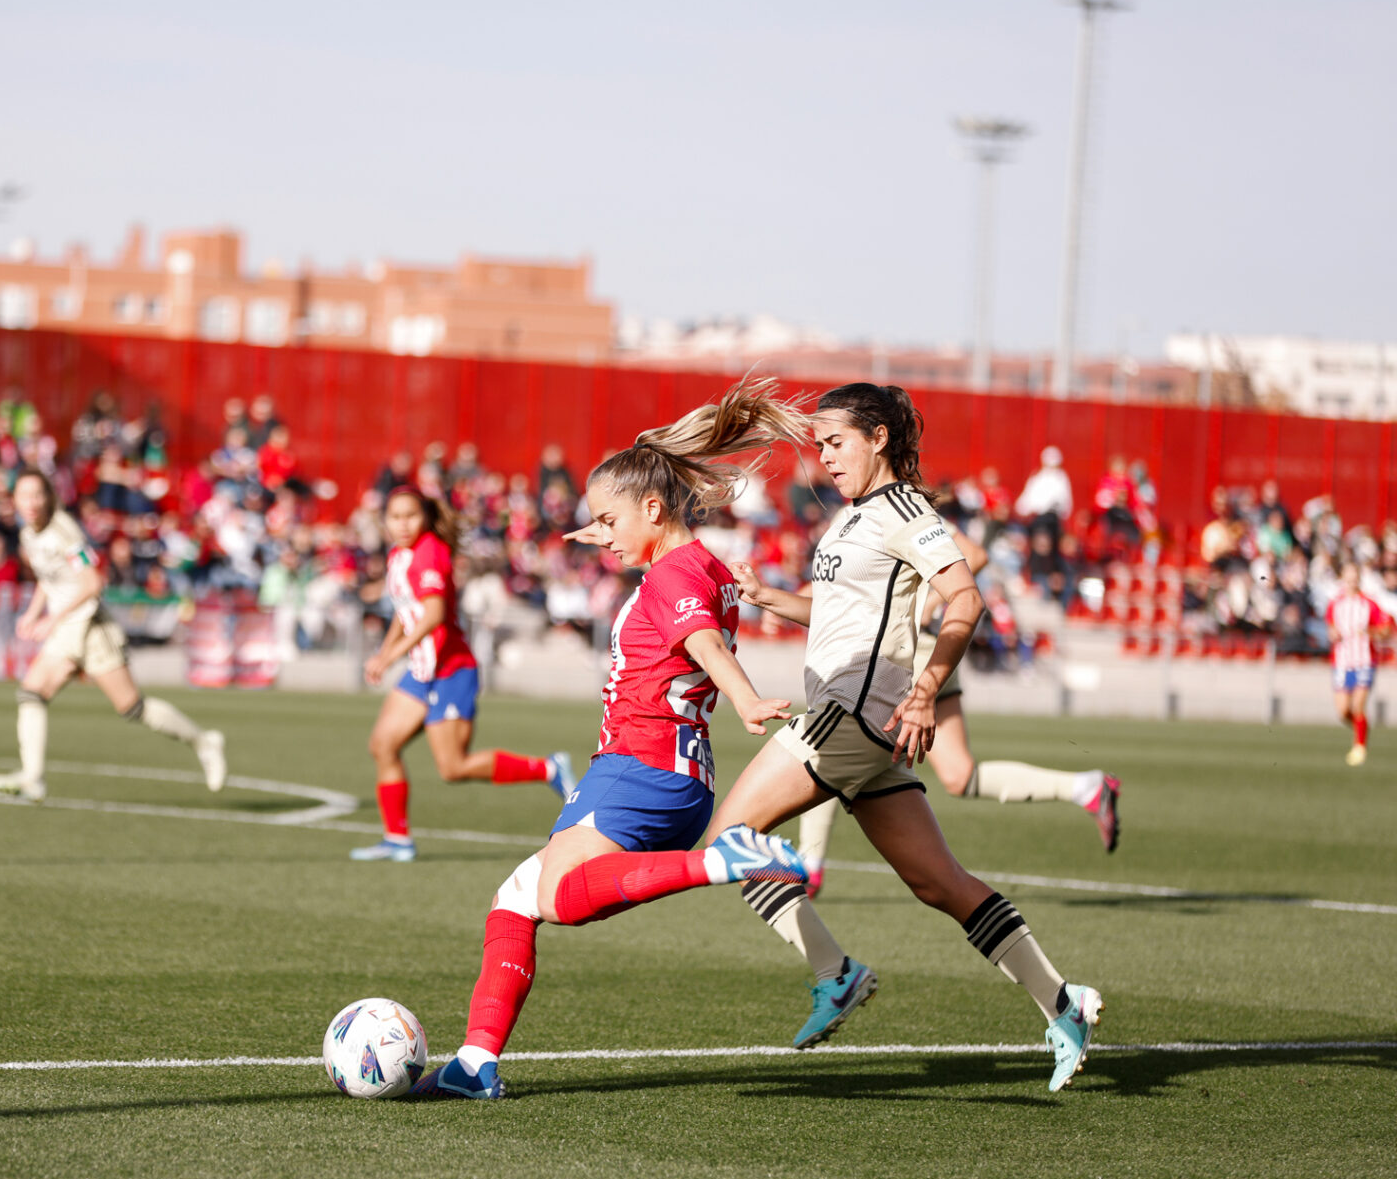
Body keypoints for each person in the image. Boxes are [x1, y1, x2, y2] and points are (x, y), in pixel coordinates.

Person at [412, 373, 810, 1100]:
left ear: (653, 508)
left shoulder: (672, 575)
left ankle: (723, 862)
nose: (601, 535)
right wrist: (611, 526)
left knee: (558, 894)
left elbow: (699, 642)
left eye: (609, 520)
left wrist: (747, 699)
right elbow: (681, 606)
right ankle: (475, 1061)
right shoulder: (700, 563)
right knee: (517, 897)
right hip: (676, 774)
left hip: (640, 765)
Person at [715, 382, 1103, 1092]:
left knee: (727, 837)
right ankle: (1062, 1001)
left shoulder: (904, 509)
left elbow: (966, 594)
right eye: (821, 443)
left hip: (850, 718)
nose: (825, 457)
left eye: (836, 442)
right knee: (939, 882)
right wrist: (770, 597)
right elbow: (846, 613)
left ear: (879, 438)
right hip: (873, 728)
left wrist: (928, 686)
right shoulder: (857, 515)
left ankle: (835, 971)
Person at [789, 520, 1122, 899]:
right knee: (959, 774)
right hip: (933, 650)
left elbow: (975, 555)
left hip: (916, 649)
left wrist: (929, 603)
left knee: (834, 741)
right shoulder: (877, 512)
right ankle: (1087, 787)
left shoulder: (906, 507)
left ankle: (808, 866)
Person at [348, 487, 576, 863]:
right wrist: (386, 651)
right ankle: (397, 839)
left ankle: (549, 768)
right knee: (383, 745)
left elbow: (434, 615)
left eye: (410, 516)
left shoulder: (430, 553)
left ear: (424, 517)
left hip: (451, 671)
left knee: (452, 768)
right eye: (395, 517)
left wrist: (389, 657)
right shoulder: (397, 555)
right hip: (423, 672)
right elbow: (406, 613)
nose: (402, 524)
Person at [0, 470, 227, 802]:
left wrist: (51, 618)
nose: (30, 503)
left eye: (37, 495)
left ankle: (204, 741)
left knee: (131, 707)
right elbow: (50, 576)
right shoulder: (29, 533)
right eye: (24, 496)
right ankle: (32, 778)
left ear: (49, 498)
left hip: (90, 625)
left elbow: (92, 582)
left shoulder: (65, 531)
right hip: (67, 629)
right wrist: (33, 612)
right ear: (14, 500)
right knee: (31, 694)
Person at [1326, 564, 1391, 766]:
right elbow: (1330, 627)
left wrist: (1370, 633)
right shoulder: (1335, 604)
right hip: (1342, 662)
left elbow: (1386, 630)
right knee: (1343, 711)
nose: (1351, 582)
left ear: (1359, 580)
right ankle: (1361, 728)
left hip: (1364, 661)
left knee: (1357, 705)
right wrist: (1333, 633)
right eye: (1348, 578)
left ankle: (1359, 746)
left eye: (1354, 578)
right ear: (1343, 579)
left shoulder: (1369, 604)